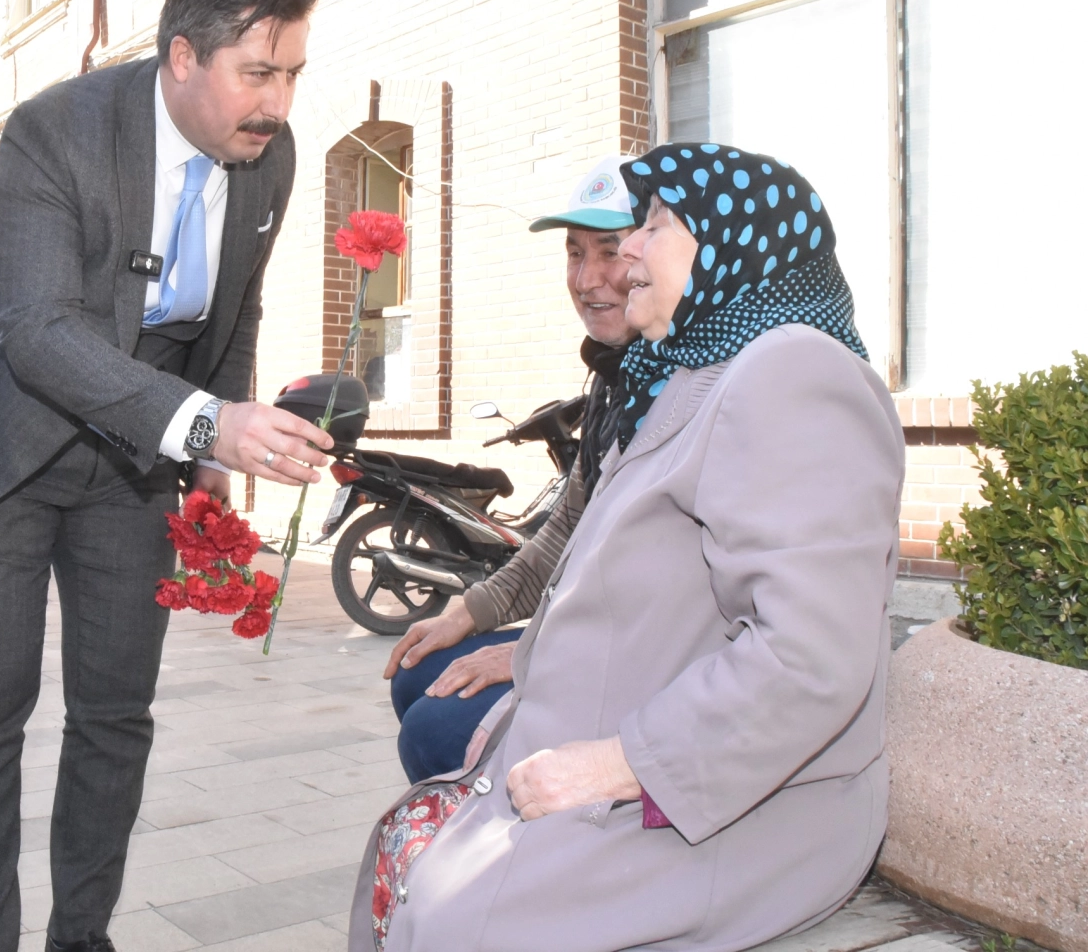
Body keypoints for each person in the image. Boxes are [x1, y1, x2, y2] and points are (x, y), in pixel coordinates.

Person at [348, 143, 904, 952]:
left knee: (449, 918)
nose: (627, 252)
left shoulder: (793, 372)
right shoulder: (687, 371)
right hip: (644, 770)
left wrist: (619, 764)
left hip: (730, 814)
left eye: (656, 224)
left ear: (729, 239)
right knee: (423, 875)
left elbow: (809, 658)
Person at [0, 0, 328, 952]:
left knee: (116, 714)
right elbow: (38, 331)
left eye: (294, 74)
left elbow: (237, 311)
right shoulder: (58, 132)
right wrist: (210, 422)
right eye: (258, 72)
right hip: (4, 443)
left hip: (134, 461)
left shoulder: (269, 155)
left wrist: (213, 457)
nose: (279, 102)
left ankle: (81, 937)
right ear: (183, 56)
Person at [383, 155, 638, 783]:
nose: (587, 278)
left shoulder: (693, 386)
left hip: (644, 663)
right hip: (591, 639)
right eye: (574, 253)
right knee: (416, 672)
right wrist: (466, 613)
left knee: (437, 729)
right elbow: (564, 532)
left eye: (611, 251)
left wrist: (535, 654)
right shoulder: (614, 380)